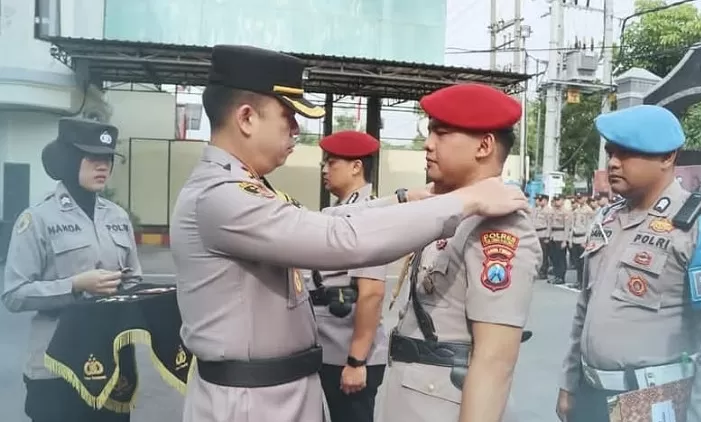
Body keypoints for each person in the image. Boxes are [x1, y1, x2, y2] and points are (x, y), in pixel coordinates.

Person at [169, 45, 530, 422]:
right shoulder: (222, 196)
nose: (295, 129)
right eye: (288, 116)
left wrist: (402, 200)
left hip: (274, 395)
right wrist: (468, 200)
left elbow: (319, 220)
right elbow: (336, 237)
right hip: (251, 403)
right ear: (246, 118)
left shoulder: (244, 189)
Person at [555, 105, 701, 422]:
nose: (613, 163)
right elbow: (585, 307)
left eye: (628, 152)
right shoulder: (607, 218)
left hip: (656, 404)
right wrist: (569, 385)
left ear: (667, 157)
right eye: (611, 152)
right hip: (591, 396)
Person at [380, 83, 541, 422]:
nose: (428, 144)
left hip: (441, 405)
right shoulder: (450, 210)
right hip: (413, 398)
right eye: (430, 132)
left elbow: (495, 360)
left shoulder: (499, 225)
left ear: (484, 145)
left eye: (442, 133)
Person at [2, 118, 142, 422]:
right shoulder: (37, 219)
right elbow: (13, 294)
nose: (103, 166)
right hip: (57, 363)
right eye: (93, 158)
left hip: (111, 359)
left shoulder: (118, 216)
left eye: (107, 159)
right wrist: (76, 285)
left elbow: (133, 280)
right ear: (69, 159)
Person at [311, 130, 389, 422]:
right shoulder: (341, 212)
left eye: (332, 163)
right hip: (331, 350)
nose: (324, 169)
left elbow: (371, 293)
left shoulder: (368, 218)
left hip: (350, 356)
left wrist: (356, 361)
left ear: (356, 166)